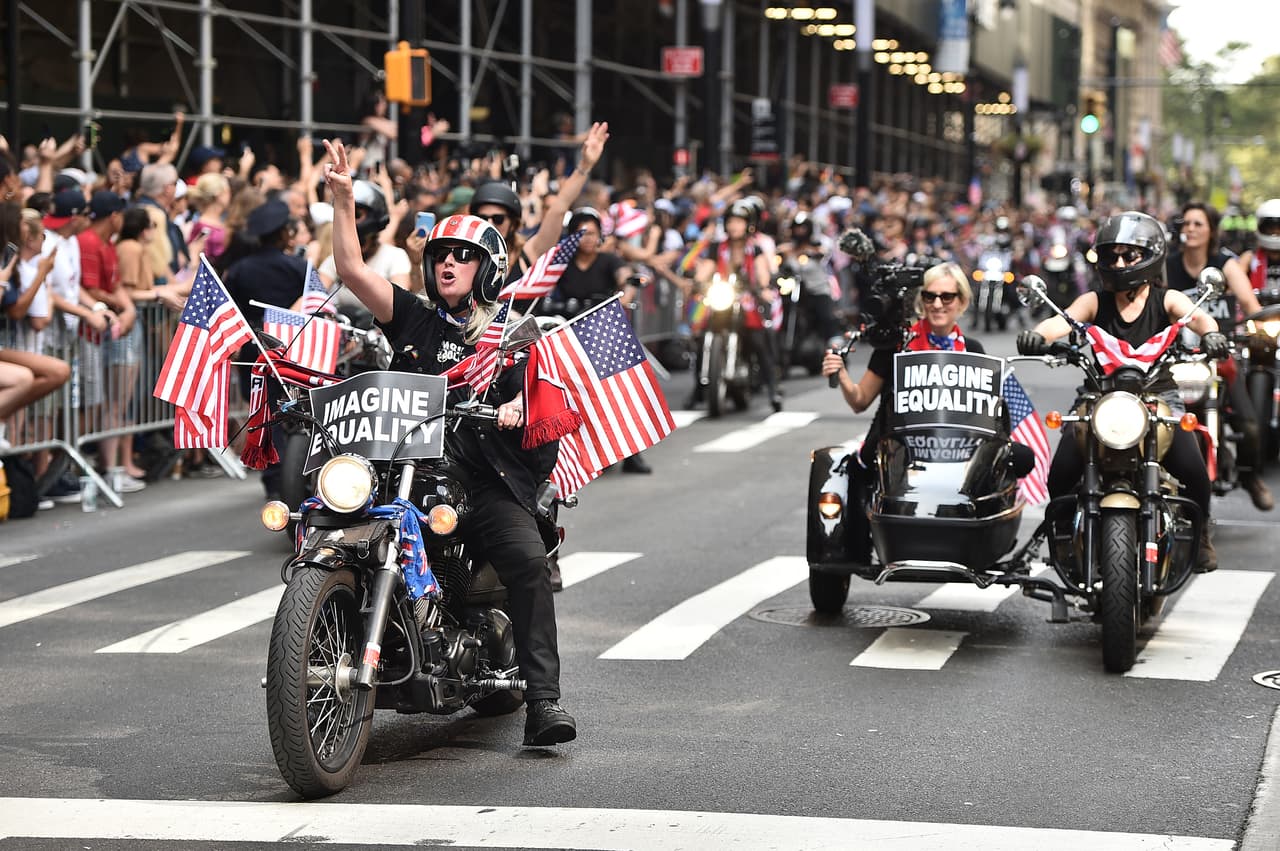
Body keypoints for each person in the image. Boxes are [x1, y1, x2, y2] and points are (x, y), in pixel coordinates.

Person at [321, 137, 576, 748]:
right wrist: (339, 203)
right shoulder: (415, 317)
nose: (447, 265)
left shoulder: (514, 331)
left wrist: (515, 407)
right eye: (441, 256)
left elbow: (543, 394)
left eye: (462, 257)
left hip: (481, 478)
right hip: (406, 470)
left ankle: (543, 701)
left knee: (525, 563)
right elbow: (354, 272)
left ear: (485, 268)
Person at [1017, 211, 1227, 573]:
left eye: (1129, 255)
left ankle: (1202, 531)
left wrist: (1212, 333)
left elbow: (1198, 317)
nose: (1118, 263)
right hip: (1099, 398)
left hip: (1158, 397)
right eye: (1111, 255)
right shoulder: (1096, 300)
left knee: (1193, 468)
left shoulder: (1167, 299)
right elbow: (1062, 320)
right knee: (1062, 469)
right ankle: (1065, 537)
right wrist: (1039, 335)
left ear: (1151, 256)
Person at [1166, 201, 1272, 511]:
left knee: (1250, 426)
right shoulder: (1168, 265)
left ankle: (1250, 476)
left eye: (1198, 223)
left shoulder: (1226, 264)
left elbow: (1251, 307)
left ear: (1211, 230)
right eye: (1186, 223)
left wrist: (1258, 328)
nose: (1191, 229)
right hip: (1178, 358)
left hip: (1221, 357)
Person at [692, 199, 783, 412]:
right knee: (703, 336)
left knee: (760, 339)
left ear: (749, 224)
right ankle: (698, 389)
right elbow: (706, 268)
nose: (734, 226)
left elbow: (762, 273)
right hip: (723, 297)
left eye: (739, 222)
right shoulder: (718, 247)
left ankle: (773, 389)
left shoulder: (756, 248)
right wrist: (696, 281)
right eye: (731, 221)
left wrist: (763, 286)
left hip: (747, 300)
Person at [1238, 198, 1280, 294]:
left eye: (1279, 228)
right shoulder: (1248, 258)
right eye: (1271, 228)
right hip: (1257, 307)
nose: (1275, 232)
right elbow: (1232, 290)